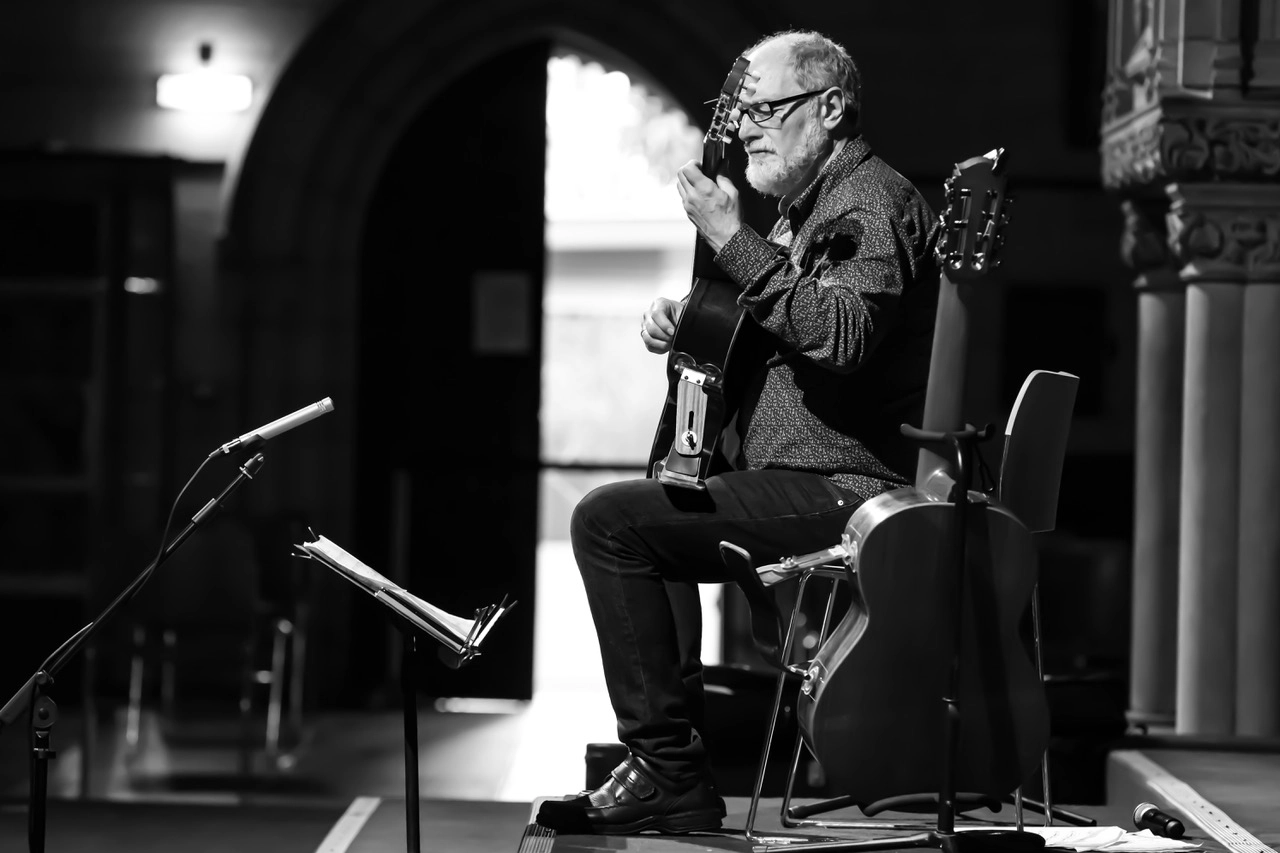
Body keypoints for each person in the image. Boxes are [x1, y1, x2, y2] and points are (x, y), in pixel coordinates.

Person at [535, 29, 941, 836]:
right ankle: (666, 760)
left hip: (845, 489)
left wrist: (730, 237)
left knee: (607, 522)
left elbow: (843, 334)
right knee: (648, 500)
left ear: (829, 109)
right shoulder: (801, 212)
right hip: (794, 478)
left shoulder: (871, 198)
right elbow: (777, 323)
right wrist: (693, 324)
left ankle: (667, 766)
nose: (747, 127)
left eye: (765, 110)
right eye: (741, 111)